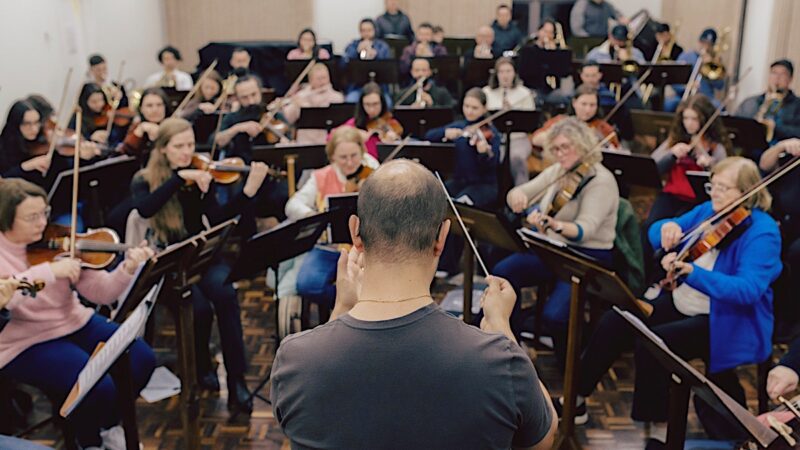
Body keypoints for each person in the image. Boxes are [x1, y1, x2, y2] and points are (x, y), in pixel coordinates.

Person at [270, 159, 557, 450]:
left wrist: (342, 308)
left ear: (355, 232)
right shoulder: (501, 360)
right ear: (441, 238)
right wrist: (501, 328)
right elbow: (543, 438)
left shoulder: (295, 358)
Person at [573, 157, 780, 440]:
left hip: (724, 321)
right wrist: (666, 229)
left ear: (747, 191)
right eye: (713, 186)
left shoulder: (763, 232)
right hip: (683, 302)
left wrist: (692, 272)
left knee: (655, 344)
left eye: (724, 188)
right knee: (616, 321)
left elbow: (747, 290)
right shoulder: (710, 210)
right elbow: (656, 231)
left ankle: (660, 431)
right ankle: (577, 399)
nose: (714, 194)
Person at [0, 178, 155, 449]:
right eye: (32, 217)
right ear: (6, 218)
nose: (42, 222)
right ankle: (88, 442)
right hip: (24, 342)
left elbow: (102, 293)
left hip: (74, 320)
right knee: (94, 383)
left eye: (44, 213)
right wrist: (49, 272)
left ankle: (108, 426)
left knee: (141, 359)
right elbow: (7, 299)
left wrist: (126, 270)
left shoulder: (56, 240)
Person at [129, 118, 270, 413]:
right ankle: (200, 366)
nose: (187, 152)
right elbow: (145, 208)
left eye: (191, 144)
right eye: (178, 146)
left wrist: (247, 193)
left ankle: (237, 381)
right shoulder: (144, 179)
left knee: (227, 295)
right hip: (168, 263)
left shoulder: (202, 178)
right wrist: (180, 178)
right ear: (163, 149)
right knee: (200, 308)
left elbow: (219, 219)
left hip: (201, 256)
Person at [498, 117, 619, 352]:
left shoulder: (601, 181)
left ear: (582, 145)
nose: (560, 153)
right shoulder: (558, 170)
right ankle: (510, 344)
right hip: (555, 249)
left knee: (554, 316)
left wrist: (553, 224)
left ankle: (572, 369)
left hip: (587, 256)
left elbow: (585, 230)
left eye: (566, 147)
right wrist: (517, 197)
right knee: (504, 272)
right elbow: (520, 191)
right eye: (555, 148)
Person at [283, 127, 380, 314]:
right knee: (307, 285)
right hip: (329, 248)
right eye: (343, 158)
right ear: (332, 157)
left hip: (365, 249)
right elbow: (292, 205)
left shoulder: (372, 172)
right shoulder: (320, 176)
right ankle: (349, 310)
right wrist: (311, 216)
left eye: (355, 155)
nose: (350, 162)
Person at [645, 95, 730, 228]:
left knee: (683, 227)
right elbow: (653, 165)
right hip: (672, 195)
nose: (689, 123)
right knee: (651, 225)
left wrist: (709, 165)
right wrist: (671, 154)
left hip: (697, 200)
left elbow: (725, 175)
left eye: (694, 119)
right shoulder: (676, 139)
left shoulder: (715, 147)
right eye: (686, 118)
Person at [425, 88, 500, 209]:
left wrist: (484, 154)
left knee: (460, 205)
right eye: (466, 106)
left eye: (475, 108)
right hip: (459, 181)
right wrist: (445, 132)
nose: (469, 111)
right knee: (435, 198)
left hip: (483, 185)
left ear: (484, 108)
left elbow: (492, 165)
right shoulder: (460, 125)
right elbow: (429, 135)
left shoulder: (491, 132)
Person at [0, 100, 94, 191]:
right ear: (16, 124)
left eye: (37, 122)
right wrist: (25, 167)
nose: (34, 129)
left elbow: (63, 171)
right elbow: (4, 181)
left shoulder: (43, 141)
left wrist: (84, 158)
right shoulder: (4, 146)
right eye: (27, 124)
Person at [482, 57, 535, 185]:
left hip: (518, 138)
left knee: (516, 158)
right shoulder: (486, 92)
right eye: (501, 72)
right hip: (493, 138)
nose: (505, 75)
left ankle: (522, 193)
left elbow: (530, 120)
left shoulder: (525, 93)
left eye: (508, 71)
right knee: (491, 158)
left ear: (514, 73)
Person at [735, 59, 800, 151]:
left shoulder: (797, 105)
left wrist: (775, 127)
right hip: (749, 149)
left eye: (782, 74)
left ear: (790, 79)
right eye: (774, 73)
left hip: (782, 154)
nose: (777, 78)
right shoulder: (751, 102)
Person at [531, 84, 620, 150]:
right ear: (574, 103)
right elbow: (536, 139)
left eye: (592, 105)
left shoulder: (604, 128)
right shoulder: (561, 120)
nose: (587, 110)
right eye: (583, 104)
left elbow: (615, 151)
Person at [281, 63, 344, 144]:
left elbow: (324, 117)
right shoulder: (302, 95)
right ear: (311, 80)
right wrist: (295, 105)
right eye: (318, 79)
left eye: (324, 78)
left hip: (326, 140)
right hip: (304, 140)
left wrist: (305, 106)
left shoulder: (336, 97)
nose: (323, 82)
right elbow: (288, 118)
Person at [664, 28, 724, 112]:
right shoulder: (686, 56)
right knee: (668, 104)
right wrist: (686, 86)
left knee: (719, 107)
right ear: (699, 42)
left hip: (706, 97)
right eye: (703, 42)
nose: (705, 47)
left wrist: (709, 65)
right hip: (684, 95)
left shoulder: (715, 61)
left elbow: (720, 86)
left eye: (709, 44)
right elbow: (674, 80)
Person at [341, 82, 402, 158]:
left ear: (382, 103)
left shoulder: (392, 123)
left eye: (375, 104)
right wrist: (354, 134)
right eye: (367, 104)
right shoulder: (354, 123)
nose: (371, 109)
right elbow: (331, 137)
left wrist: (391, 144)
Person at [341, 18, 392, 103]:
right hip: (357, 87)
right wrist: (356, 52)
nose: (366, 33)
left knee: (388, 102)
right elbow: (343, 65)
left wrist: (376, 55)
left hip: (379, 87)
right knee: (350, 100)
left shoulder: (382, 46)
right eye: (363, 30)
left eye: (369, 30)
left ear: (374, 30)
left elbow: (389, 67)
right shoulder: (353, 45)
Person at [118, 87, 170, 165]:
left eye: (159, 105)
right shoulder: (137, 126)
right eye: (149, 106)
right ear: (141, 109)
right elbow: (125, 151)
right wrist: (140, 130)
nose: (155, 110)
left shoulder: (172, 126)